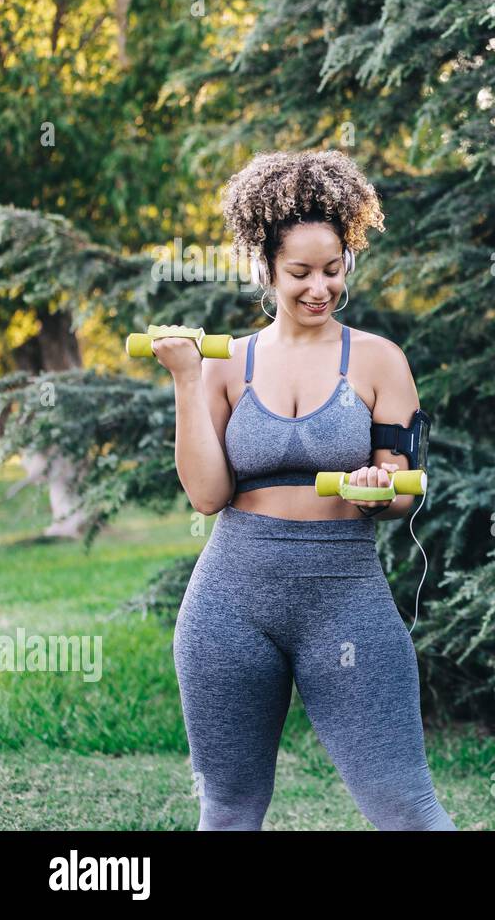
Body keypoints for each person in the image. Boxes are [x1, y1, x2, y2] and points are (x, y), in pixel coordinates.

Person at [152, 149, 456, 830]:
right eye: (300, 272)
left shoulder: (380, 360)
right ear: (264, 269)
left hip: (345, 596)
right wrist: (185, 380)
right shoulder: (228, 363)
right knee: (228, 808)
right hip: (230, 602)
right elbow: (207, 494)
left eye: (333, 268)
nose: (319, 287)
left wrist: (383, 489)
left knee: (406, 806)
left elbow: (403, 488)